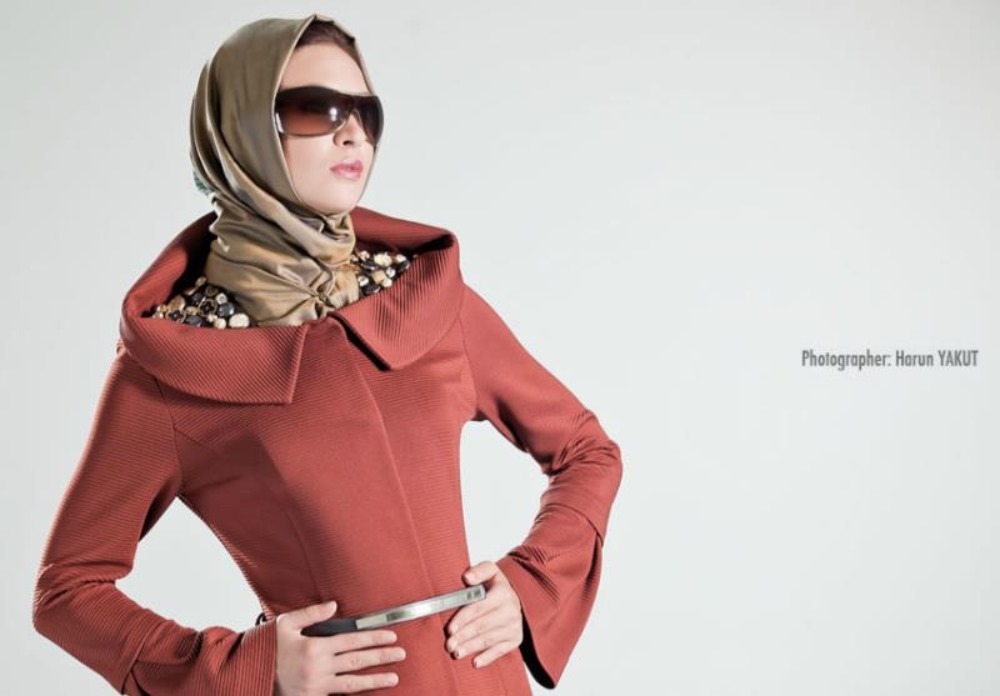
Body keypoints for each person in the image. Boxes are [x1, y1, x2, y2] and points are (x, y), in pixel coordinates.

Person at [32, 13, 623, 696]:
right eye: (316, 109)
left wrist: (529, 583)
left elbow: (587, 450)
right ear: (243, 128)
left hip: (487, 680)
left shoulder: (426, 298)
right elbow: (67, 589)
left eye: (367, 114)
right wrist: (250, 667)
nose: (353, 135)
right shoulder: (172, 362)